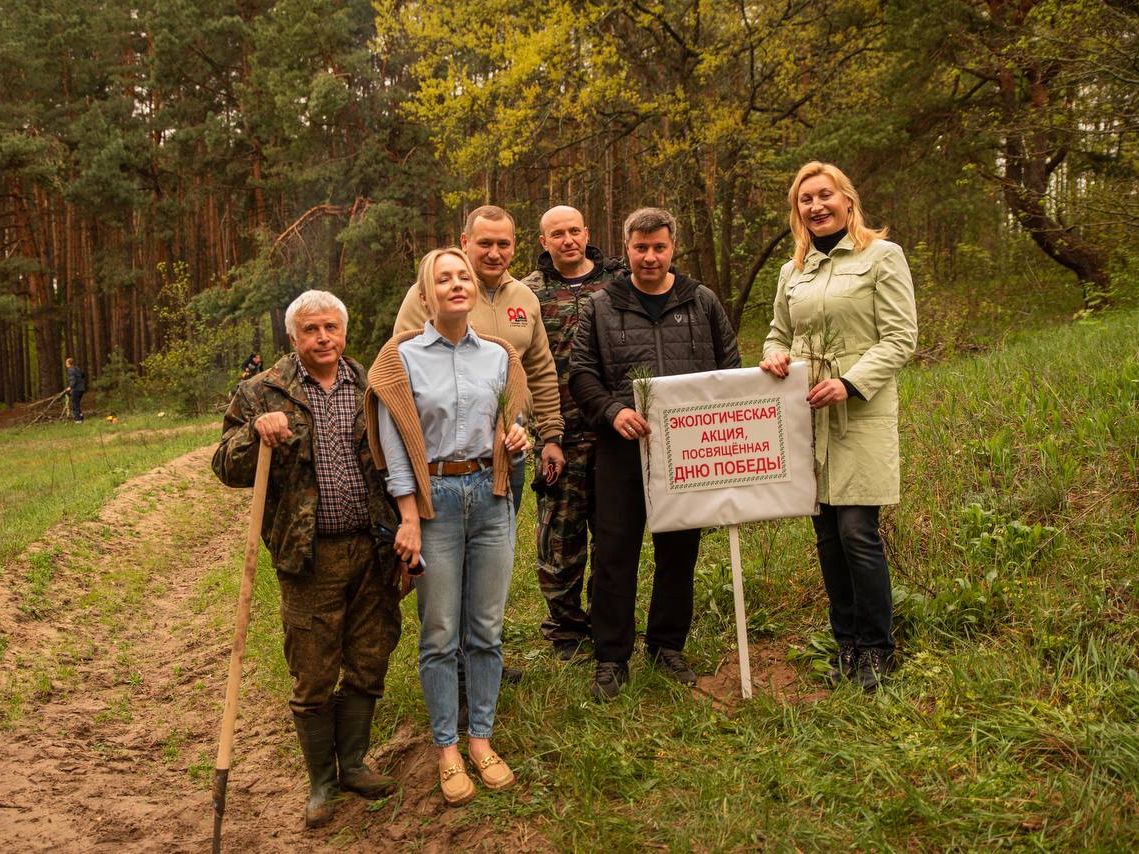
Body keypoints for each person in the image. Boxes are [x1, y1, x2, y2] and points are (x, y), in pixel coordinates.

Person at [211, 290, 404, 828]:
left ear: (344, 333)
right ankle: (321, 781)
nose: (323, 338)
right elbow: (225, 466)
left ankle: (356, 765)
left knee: (370, 657)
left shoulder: (372, 384)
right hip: (308, 555)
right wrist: (255, 432)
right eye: (312, 330)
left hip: (373, 548)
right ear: (294, 338)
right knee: (314, 671)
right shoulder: (262, 392)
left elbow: (402, 456)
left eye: (331, 329)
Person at [366, 248, 530, 806]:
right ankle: (446, 748)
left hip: (491, 498)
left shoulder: (500, 355)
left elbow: (514, 417)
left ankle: (480, 739)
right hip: (434, 501)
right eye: (445, 278)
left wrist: (517, 437)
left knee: (485, 629)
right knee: (439, 633)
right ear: (426, 293)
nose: (457, 284)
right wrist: (408, 515)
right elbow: (392, 444)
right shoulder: (401, 359)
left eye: (463, 276)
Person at [569, 207, 741, 701]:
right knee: (615, 554)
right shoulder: (602, 306)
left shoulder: (702, 301)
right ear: (626, 249)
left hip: (687, 451)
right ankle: (611, 657)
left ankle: (667, 646)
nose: (649, 257)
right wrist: (611, 411)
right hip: (622, 450)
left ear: (672, 248)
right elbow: (581, 374)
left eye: (659, 247)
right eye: (640, 248)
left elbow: (729, 368)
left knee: (679, 553)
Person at [760, 162, 918, 692]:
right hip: (807, 417)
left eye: (825, 195)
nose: (816, 205)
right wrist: (776, 357)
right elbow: (777, 333)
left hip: (860, 414)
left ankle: (877, 647)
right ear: (797, 210)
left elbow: (900, 338)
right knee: (826, 534)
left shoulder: (882, 257)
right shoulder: (793, 270)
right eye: (805, 199)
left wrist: (849, 383)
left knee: (857, 532)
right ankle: (845, 643)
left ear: (847, 200)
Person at [393, 205, 565, 512]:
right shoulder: (430, 294)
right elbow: (400, 369)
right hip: (442, 456)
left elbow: (540, 371)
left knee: (496, 542)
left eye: (503, 244)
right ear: (465, 242)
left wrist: (550, 434)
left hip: (507, 446)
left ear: (514, 245)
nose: (494, 253)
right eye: (485, 243)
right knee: (444, 549)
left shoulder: (525, 299)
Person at [520, 206, 625, 661]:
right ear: (543, 241)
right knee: (559, 538)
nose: (567, 240)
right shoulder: (527, 294)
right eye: (556, 234)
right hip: (557, 434)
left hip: (615, 429)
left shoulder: (618, 283)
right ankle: (565, 630)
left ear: (587, 232)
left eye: (574, 231)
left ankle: (609, 625)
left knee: (613, 535)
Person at [64, 357, 86, 422]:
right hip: (81, 389)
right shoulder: (77, 368)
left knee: (75, 404)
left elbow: (73, 380)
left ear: (68, 363)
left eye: (66, 362)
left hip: (76, 389)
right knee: (77, 403)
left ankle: (78, 420)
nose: (66, 364)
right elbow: (83, 375)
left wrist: (70, 387)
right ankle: (81, 417)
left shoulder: (70, 370)